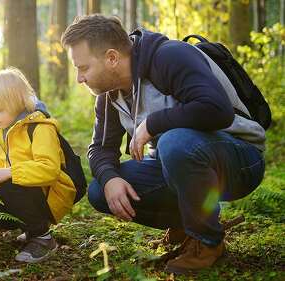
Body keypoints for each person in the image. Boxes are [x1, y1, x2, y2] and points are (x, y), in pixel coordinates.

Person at [61, 15, 265, 274]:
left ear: (112, 58)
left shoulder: (169, 57)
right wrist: (110, 178)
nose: (80, 78)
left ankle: (207, 241)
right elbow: (100, 149)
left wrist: (152, 124)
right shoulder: (109, 95)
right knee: (100, 191)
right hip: (181, 163)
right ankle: (187, 224)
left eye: (83, 68)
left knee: (173, 142)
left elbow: (217, 109)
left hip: (240, 158)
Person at [0, 67, 76, 263]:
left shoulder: (40, 128)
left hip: (52, 193)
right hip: (31, 189)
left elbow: (49, 170)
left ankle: (43, 238)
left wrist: (10, 173)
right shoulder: (3, 131)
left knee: (8, 184)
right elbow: (1, 165)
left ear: (17, 103)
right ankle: (31, 229)